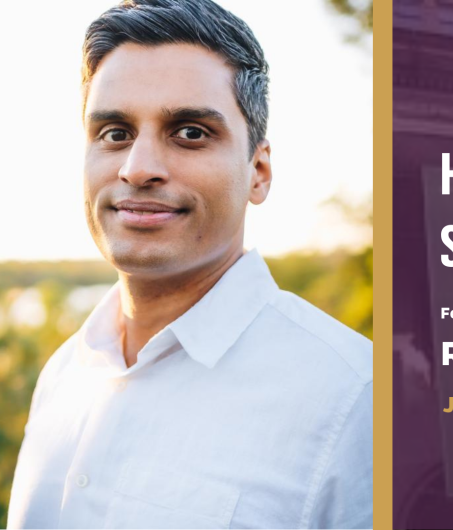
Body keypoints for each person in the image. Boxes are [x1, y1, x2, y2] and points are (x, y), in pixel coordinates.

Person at [7, 0, 373, 528]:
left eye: (191, 133)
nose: (138, 169)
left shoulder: (356, 403)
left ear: (259, 172)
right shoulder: (64, 373)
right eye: (115, 133)